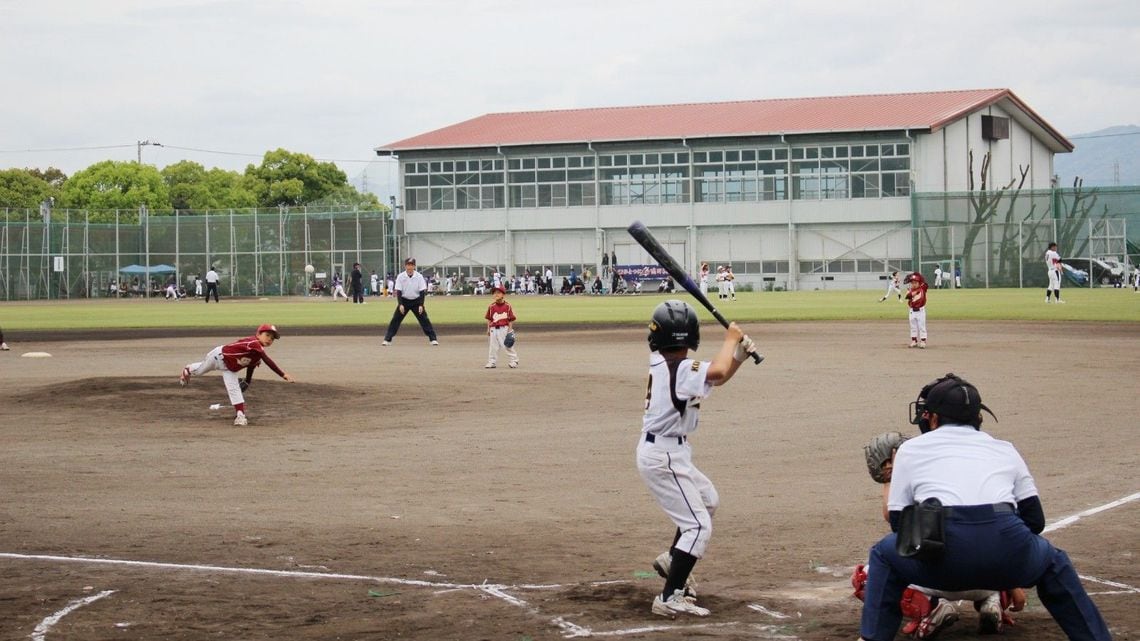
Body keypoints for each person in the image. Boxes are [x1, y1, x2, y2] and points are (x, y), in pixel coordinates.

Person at [856, 373, 1111, 641]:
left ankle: (874, 637)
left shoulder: (911, 450)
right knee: (1053, 562)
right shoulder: (1005, 449)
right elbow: (1035, 521)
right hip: (1008, 551)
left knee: (883, 555)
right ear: (978, 418)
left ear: (931, 418)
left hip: (942, 564)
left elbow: (900, 525)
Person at [638, 300, 757, 619]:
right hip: (663, 455)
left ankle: (672, 561)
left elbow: (714, 377)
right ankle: (669, 596)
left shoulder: (669, 364)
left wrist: (739, 358)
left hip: (669, 452)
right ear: (690, 337)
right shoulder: (678, 369)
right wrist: (731, 339)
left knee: (707, 501)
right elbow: (714, 370)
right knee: (698, 525)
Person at [855, 432, 1027, 637]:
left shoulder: (911, 481)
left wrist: (891, 477)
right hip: (990, 578)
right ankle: (994, 601)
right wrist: (1013, 584)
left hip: (941, 577)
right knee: (986, 547)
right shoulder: (971, 479)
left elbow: (893, 518)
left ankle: (931, 608)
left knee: (868, 575)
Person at [179, 323, 295, 426]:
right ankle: (188, 369)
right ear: (258, 334)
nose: (269, 339)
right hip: (218, 357)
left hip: (230, 368)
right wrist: (282, 374)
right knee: (199, 371)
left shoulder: (257, 353)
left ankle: (240, 415)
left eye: (272, 338)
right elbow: (267, 360)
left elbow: (251, 366)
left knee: (234, 389)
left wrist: (247, 381)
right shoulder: (253, 343)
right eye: (267, 335)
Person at [382, 258, 439, 346]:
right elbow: (399, 291)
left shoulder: (419, 276)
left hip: (416, 301)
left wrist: (421, 305)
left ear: (414, 266)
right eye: (408, 265)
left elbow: (422, 292)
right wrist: (400, 304)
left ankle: (433, 339)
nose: (410, 267)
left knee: (424, 320)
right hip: (404, 301)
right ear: (405, 266)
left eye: (412, 265)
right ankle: (387, 339)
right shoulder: (401, 276)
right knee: (395, 320)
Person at [483, 285, 519, 369]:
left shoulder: (507, 306)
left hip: (504, 328)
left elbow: (510, 319)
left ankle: (514, 360)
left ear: (503, 295)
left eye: (498, 293)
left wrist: (509, 331)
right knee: (493, 347)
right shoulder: (491, 306)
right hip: (493, 329)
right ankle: (492, 362)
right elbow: (489, 319)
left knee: (507, 345)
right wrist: (488, 329)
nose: (496, 294)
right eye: (494, 293)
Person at [904, 272, 928, 349]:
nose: (914, 284)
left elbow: (925, 283)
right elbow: (907, 296)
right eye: (912, 283)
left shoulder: (923, 288)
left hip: (920, 311)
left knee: (922, 326)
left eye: (915, 282)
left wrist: (915, 274)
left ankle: (923, 341)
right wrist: (910, 292)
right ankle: (914, 341)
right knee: (913, 326)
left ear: (919, 283)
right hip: (912, 311)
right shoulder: (910, 290)